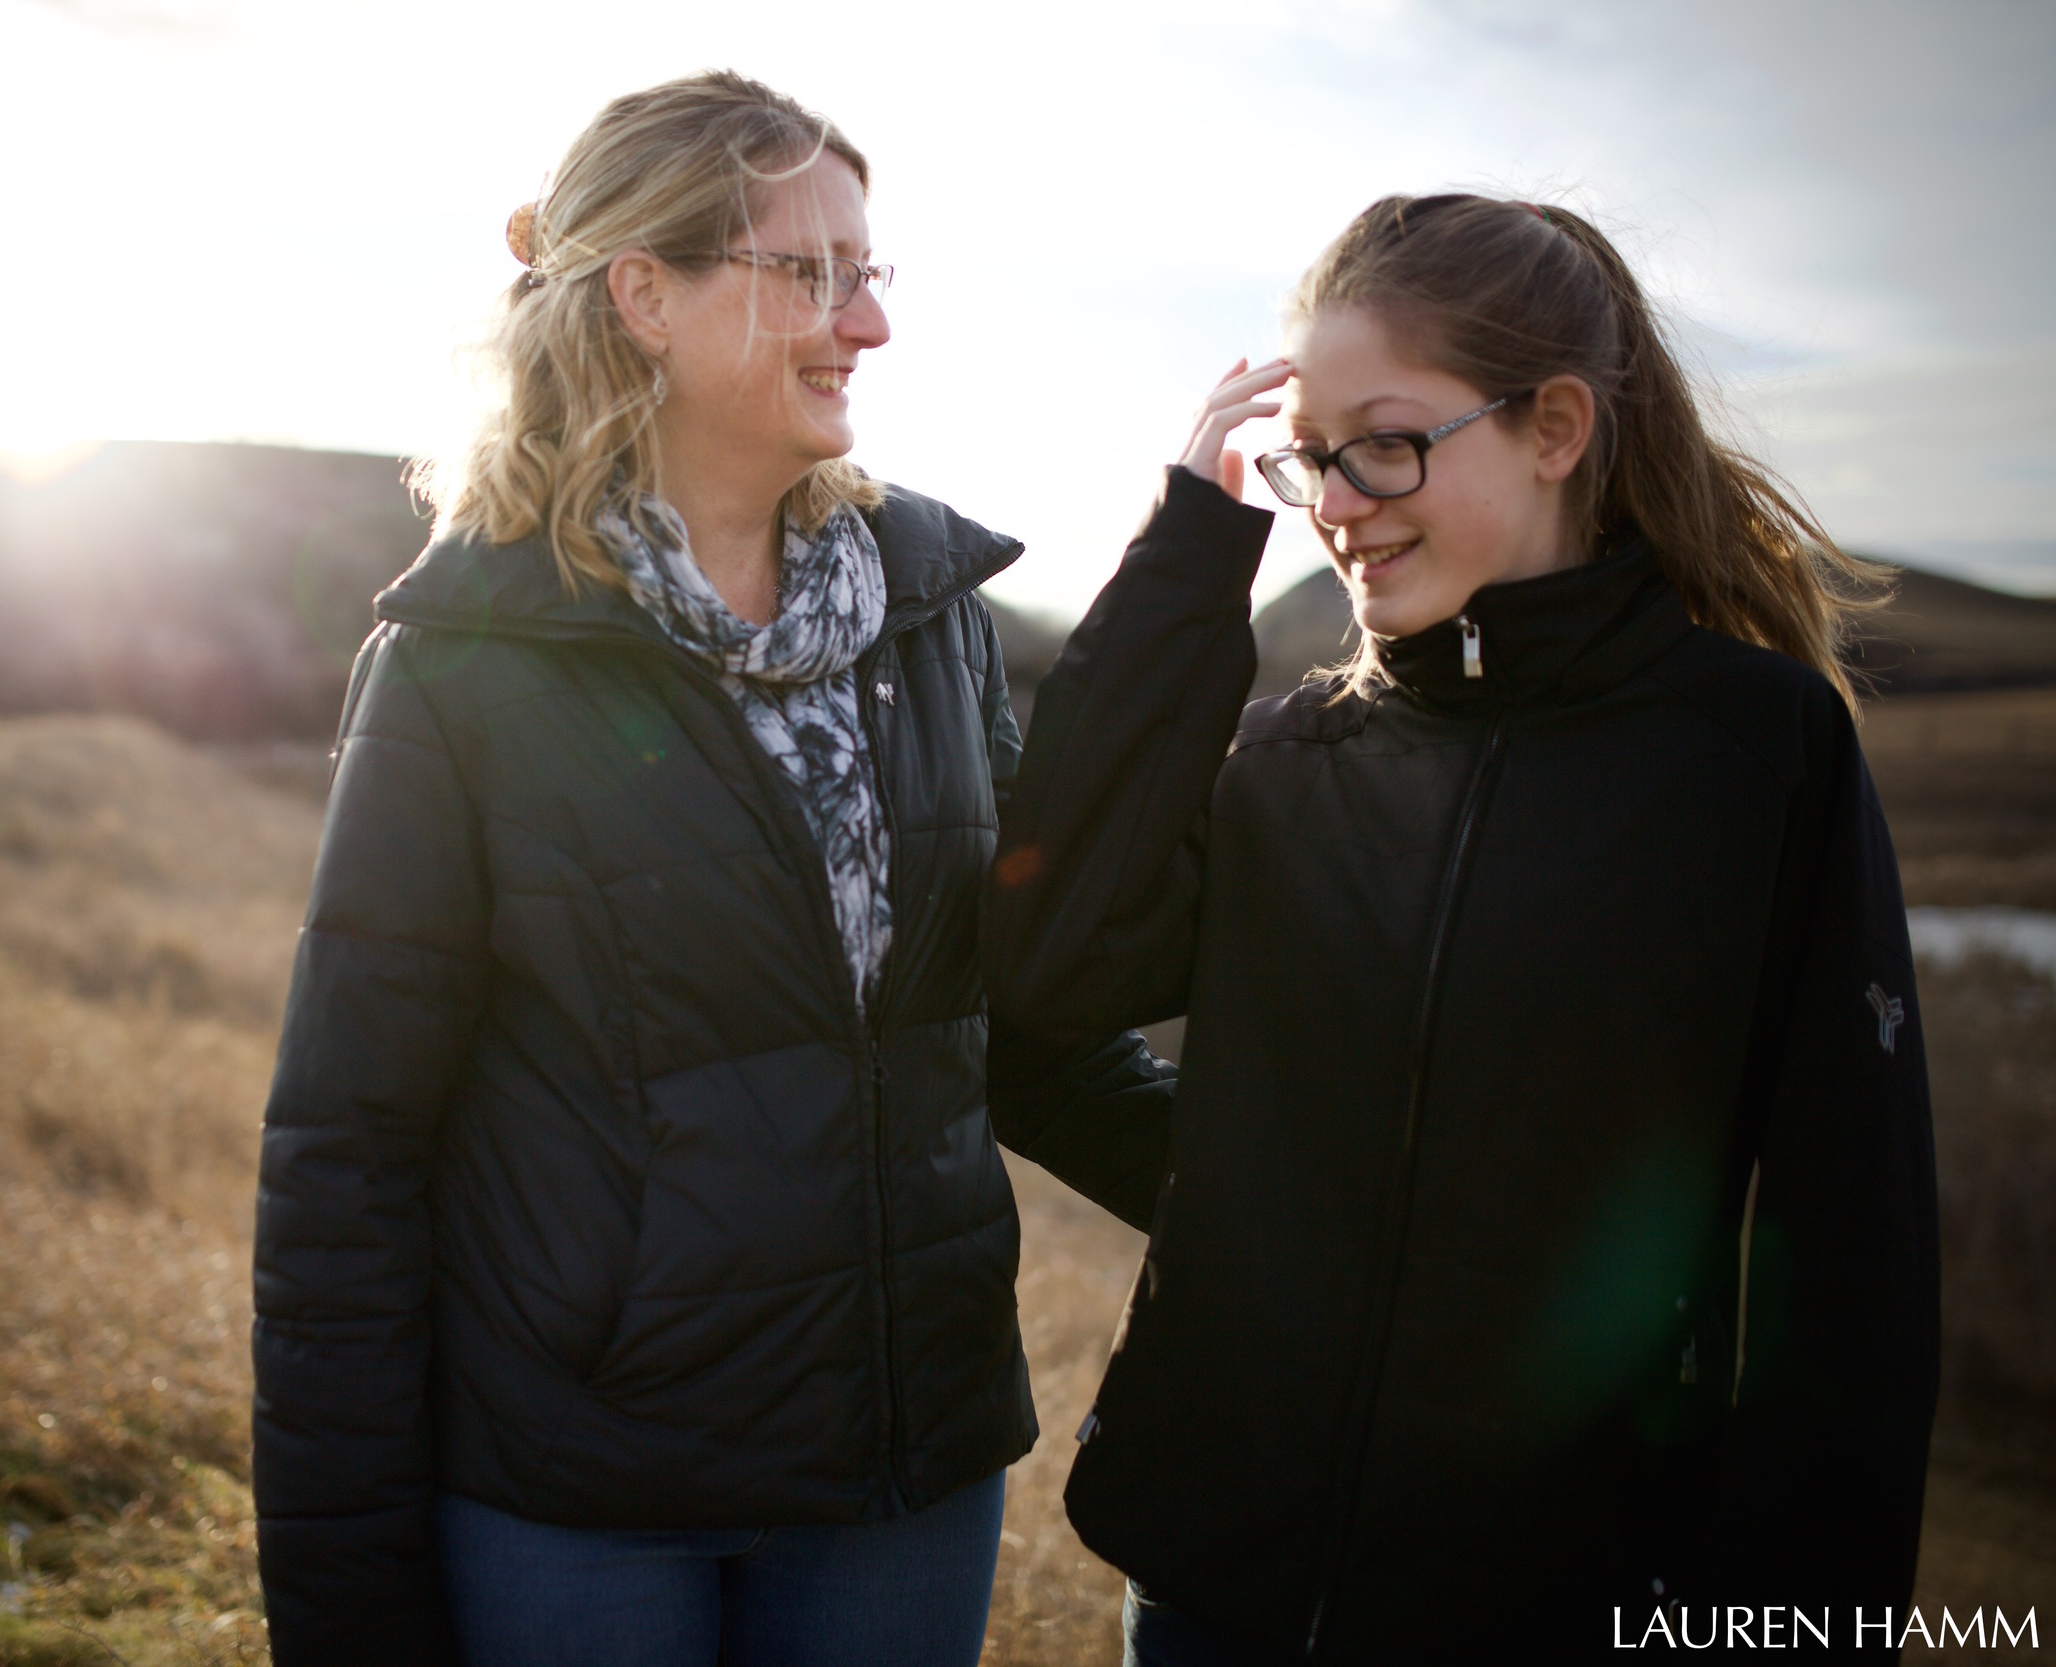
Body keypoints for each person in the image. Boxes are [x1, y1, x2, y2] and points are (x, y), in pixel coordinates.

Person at [251, 71, 1165, 1667]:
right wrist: (344, 1602)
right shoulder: (468, 662)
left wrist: (1306, 1209)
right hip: (584, 1498)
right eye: (809, 273)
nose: (865, 323)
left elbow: (1022, 1029)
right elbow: (350, 1155)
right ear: (644, 296)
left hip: (903, 1473)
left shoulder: (923, 616)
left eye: (869, 272)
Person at [983, 194, 1939, 1663]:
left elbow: (1852, 1252)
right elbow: (1043, 989)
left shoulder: (1755, 759)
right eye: (1314, 459)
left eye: (1388, 441)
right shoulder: (1294, 760)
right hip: (1209, 1590)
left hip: (1556, 1601)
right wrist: (1188, 555)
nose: (1343, 502)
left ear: (1556, 427)